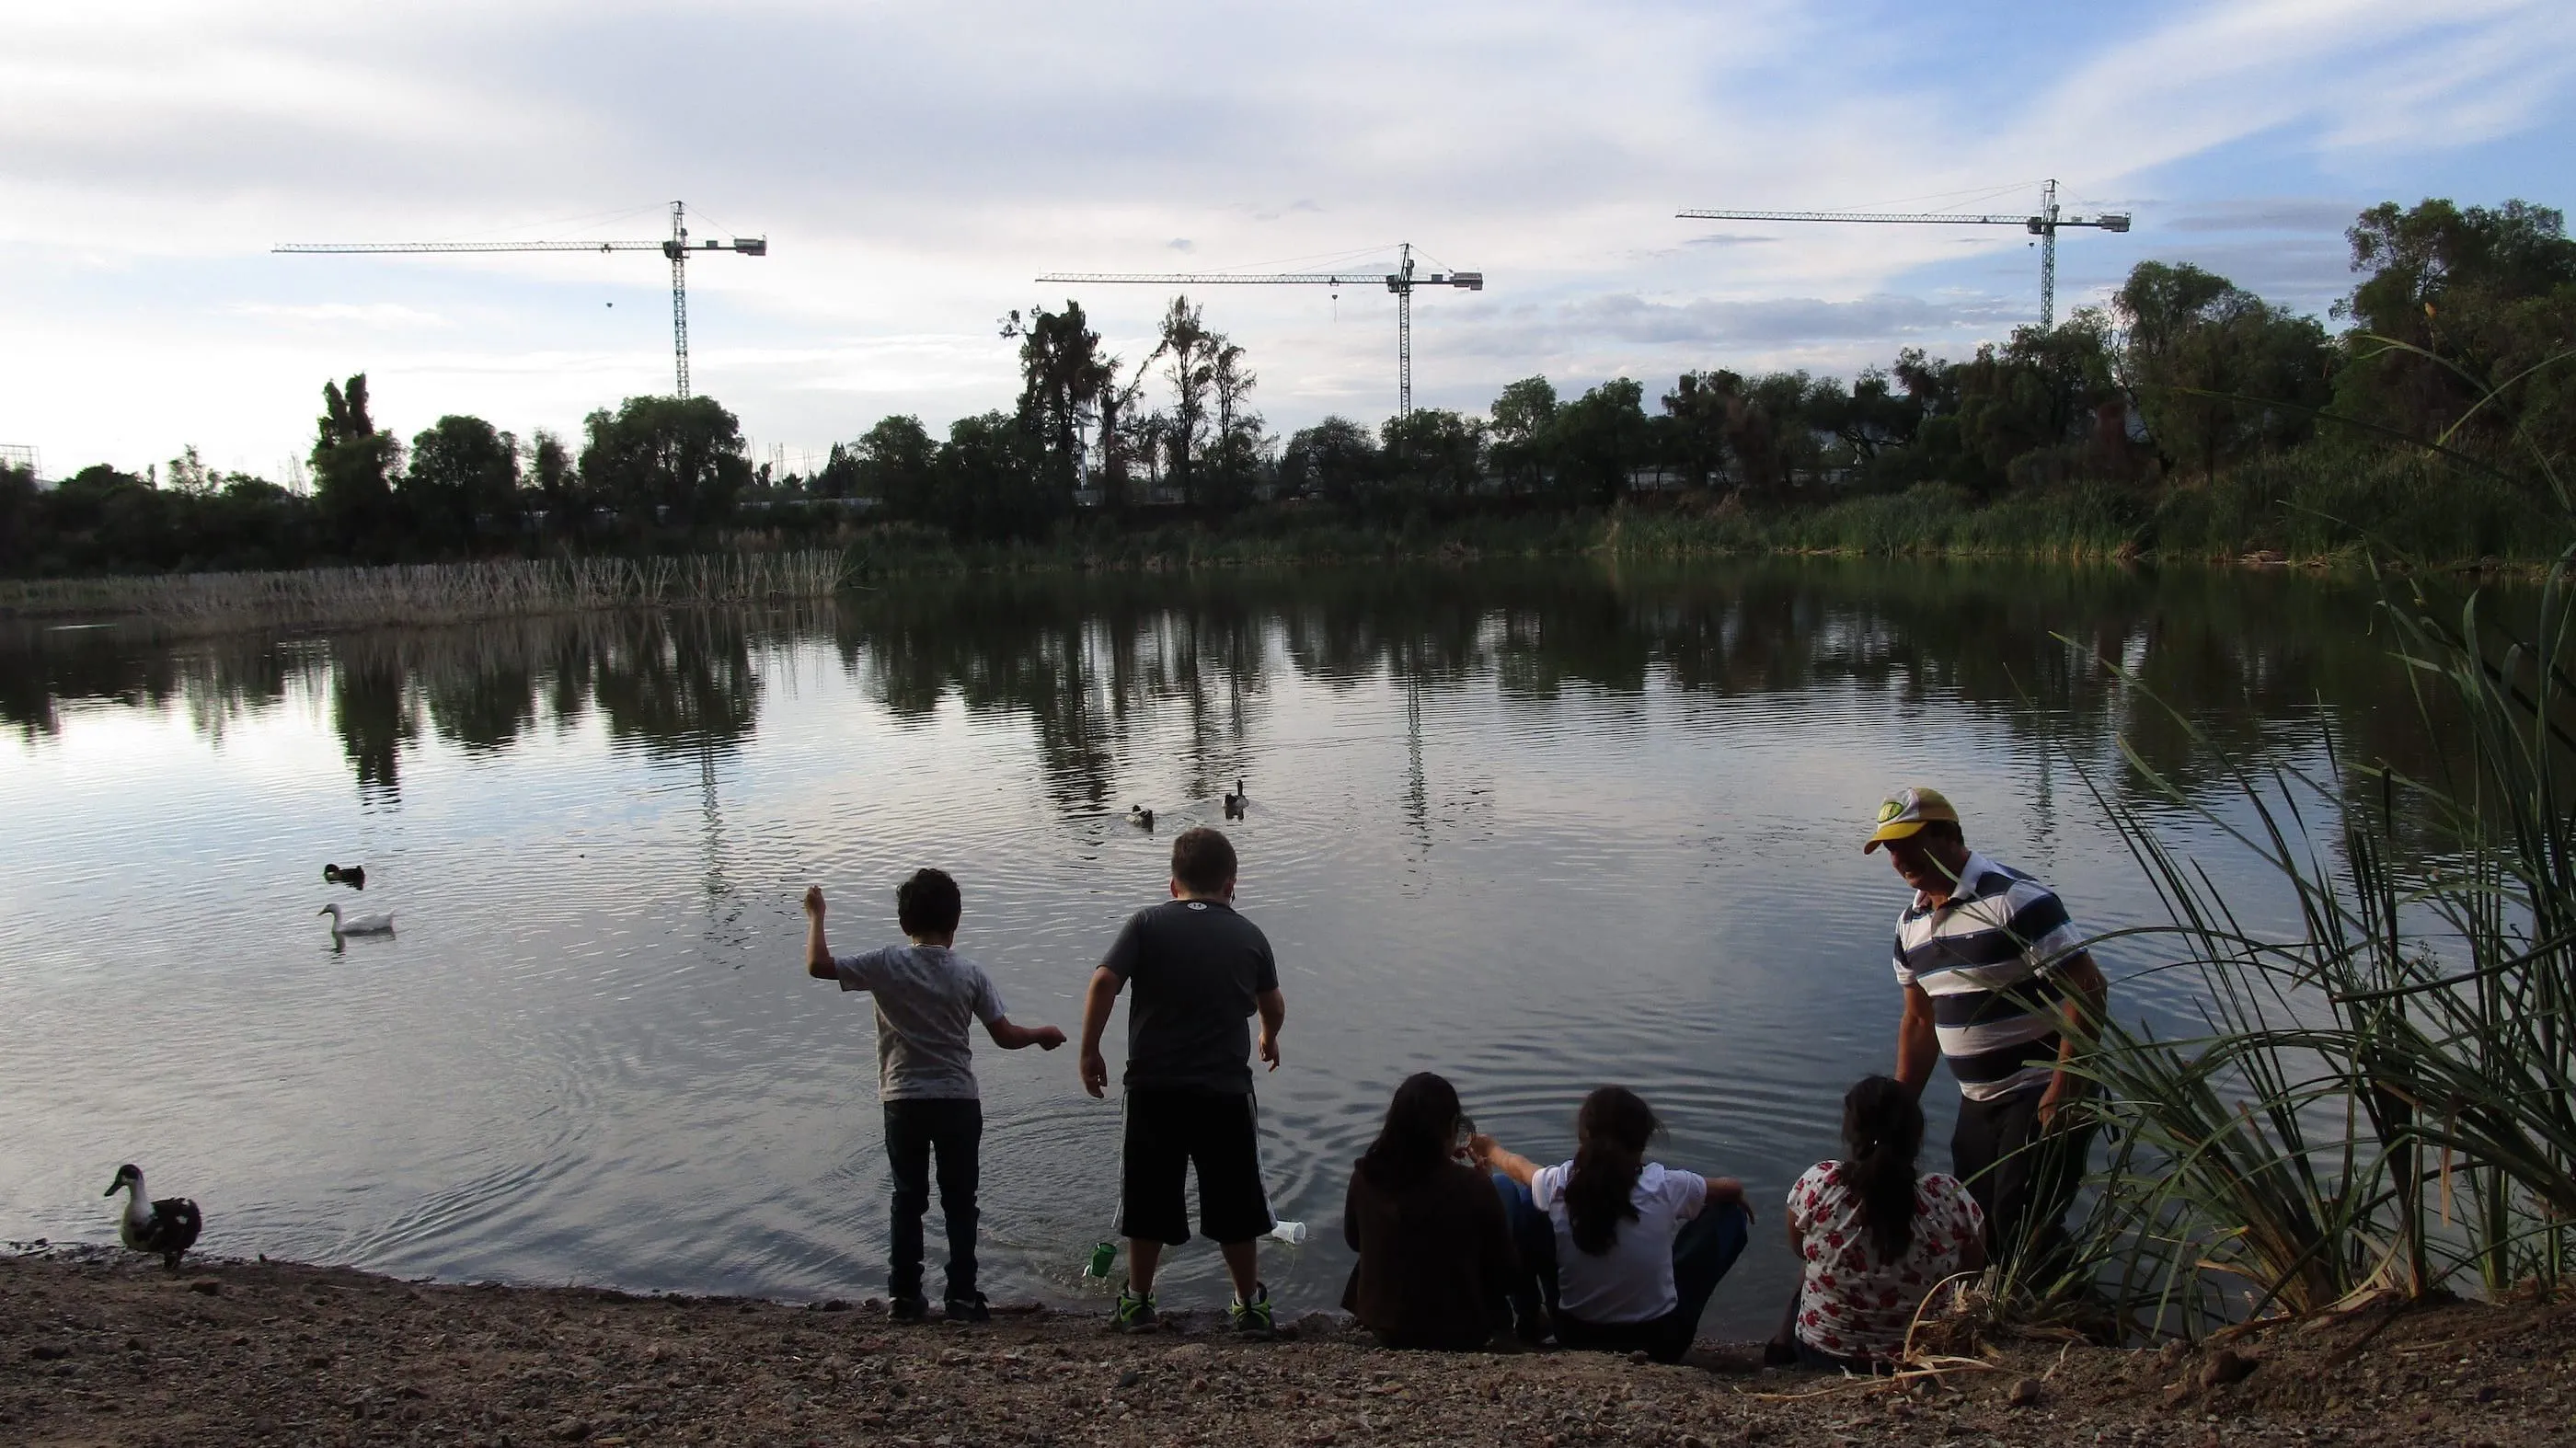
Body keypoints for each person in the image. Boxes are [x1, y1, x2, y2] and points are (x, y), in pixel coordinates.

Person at [803, 871, 1065, 1323]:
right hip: (958, 1103)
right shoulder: (968, 972)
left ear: (904, 922)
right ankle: (962, 1296)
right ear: (956, 922)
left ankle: (904, 1296)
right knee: (960, 1200)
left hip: (902, 1100)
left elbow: (818, 965)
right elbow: (1004, 1036)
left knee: (908, 1197)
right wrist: (1040, 1033)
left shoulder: (886, 963)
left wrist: (817, 916)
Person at [1868, 787, 2108, 1269]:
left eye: (1911, 842)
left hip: (2038, 1090)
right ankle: (2016, 1316)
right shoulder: (1910, 925)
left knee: (2021, 1218)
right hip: (1977, 1100)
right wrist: (1897, 1109)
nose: (1900, 857)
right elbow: (1919, 1020)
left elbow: (2089, 989)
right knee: (1975, 1218)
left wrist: (2064, 1087)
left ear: (1950, 835)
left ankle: (2071, 1317)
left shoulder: (2014, 900)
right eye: (1891, 848)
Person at [1077, 826, 1287, 1338]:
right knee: (1237, 1200)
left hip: (1153, 1089)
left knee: (1147, 1197)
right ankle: (1247, 1304)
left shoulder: (1146, 924)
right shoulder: (1250, 935)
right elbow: (1274, 1005)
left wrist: (1089, 1050)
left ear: (1173, 884)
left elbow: (1104, 980)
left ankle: (1139, 1302)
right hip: (1225, 1093)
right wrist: (1268, 1035)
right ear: (1231, 884)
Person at [1474, 1086, 1753, 1364]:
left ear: (1583, 1137)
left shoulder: (1558, 1182)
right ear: (1643, 1143)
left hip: (1575, 1335)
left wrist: (1490, 1148)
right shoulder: (1665, 1184)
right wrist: (1734, 1196)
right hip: (1661, 1343)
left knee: (1526, 1199)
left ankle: (1529, 1314)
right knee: (1729, 1215)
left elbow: (1518, 1166)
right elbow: (1730, 1187)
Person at [1781, 1075, 1986, 1371]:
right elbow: (1970, 1272)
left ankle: (1781, 1341)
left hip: (1823, 1352)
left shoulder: (1819, 1184)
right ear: (1916, 1137)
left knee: (1811, 1263)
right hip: (1920, 1356)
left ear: (1851, 1134)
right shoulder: (1950, 1198)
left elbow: (1799, 1249)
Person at [1340, 1073, 1520, 1350]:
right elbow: (1505, 1274)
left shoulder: (1365, 1175)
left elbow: (1354, 1240)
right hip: (1460, 1330)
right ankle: (1526, 1323)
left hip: (1385, 1326)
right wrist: (1485, 1187)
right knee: (1504, 1187)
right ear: (1449, 1129)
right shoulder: (1472, 1186)